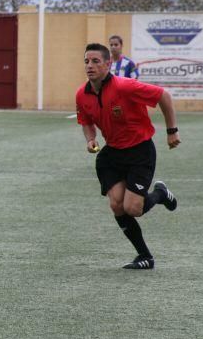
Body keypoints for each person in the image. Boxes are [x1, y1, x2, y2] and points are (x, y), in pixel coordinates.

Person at [76, 43, 180, 270]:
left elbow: (164, 96)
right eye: (86, 61)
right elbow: (86, 121)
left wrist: (172, 131)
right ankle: (145, 256)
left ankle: (160, 194)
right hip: (112, 154)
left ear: (108, 64)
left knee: (133, 208)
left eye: (95, 61)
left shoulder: (124, 87)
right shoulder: (81, 94)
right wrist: (90, 139)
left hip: (139, 151)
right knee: (117, 206)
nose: (90, 66)